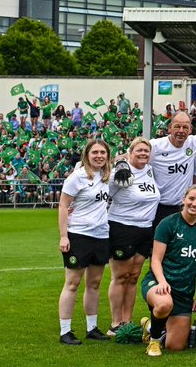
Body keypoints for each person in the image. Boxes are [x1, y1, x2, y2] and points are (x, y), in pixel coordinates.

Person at [140, 185, 196, 356]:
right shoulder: (168, 223)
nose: (195, 203)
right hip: (159, 282)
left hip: (184, 292)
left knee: (175, 346)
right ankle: (154, 342)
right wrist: (162, 281)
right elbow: (155, 259)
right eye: (191, 199)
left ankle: (150, 325)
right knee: (164, 304)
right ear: (183, 200)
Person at [57, 139, 113, 345]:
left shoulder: (108, 176)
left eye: (103, 153)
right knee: (72, 283)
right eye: (95, 152)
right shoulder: (77, 177)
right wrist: (64, 236)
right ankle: (65, 331)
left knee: (95, 284)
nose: (99, 156)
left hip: (101, 235)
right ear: (87, 155)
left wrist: (123, 163)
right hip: (79, 235)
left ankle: (92, 328)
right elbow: (63, 206)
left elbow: (127, 157)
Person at [106, 137, 161, 335]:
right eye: (139, 150)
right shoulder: (119, 173)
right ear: (130, 152)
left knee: (133, 276)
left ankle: (127, 321)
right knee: (120, 276)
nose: (143, 154)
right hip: (122, 227)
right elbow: (104, 193)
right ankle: (115, 323)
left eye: (146, 151)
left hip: (145, 229)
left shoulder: (149, 170)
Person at [148, 112, 196, 225]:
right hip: (159, 208)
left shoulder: (194, 142)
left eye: (185, 127)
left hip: (184, 209)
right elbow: (130, 155)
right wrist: (122, 165)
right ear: (170, 128)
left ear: (190, 129)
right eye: (177, 126)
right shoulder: (155, 145)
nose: (181, 130)